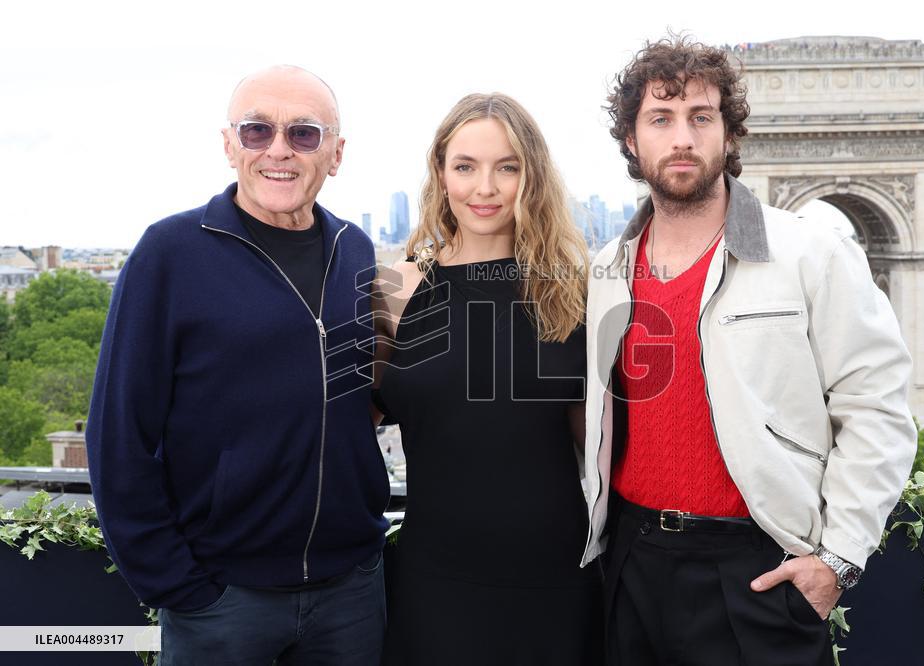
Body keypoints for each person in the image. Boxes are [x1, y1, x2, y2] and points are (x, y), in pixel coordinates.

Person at [582, 37, 917, 665]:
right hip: (633, 565)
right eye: (660, 118)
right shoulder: (606, 269)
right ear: (631, 140)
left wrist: (837, 560)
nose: (682, 137)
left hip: (758, 571)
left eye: (701, 118)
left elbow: (877, 407)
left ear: (729, 135)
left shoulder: (812, 253)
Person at [87, 65, 389, 665]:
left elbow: (363, 399)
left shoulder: (353, 249)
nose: (279, 150)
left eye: (304, 133)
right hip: (223, 602)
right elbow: (119, 433)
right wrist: (179, 586)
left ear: (336, 153)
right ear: (230, 145)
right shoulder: (170, 254)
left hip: (351, 592)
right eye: (257, 131)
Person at [373, 93, 602, 666]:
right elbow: (349, 431)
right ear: (440, 173)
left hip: (553, 576)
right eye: (466, 166)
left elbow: (598, 451)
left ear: (532, 175)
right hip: (432, 579)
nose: (486, 188)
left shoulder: (572, 292)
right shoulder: (394, 291)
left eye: (507, 167)